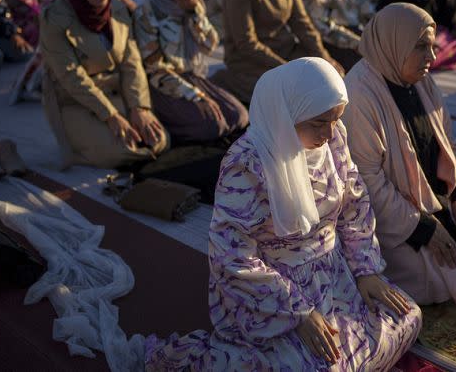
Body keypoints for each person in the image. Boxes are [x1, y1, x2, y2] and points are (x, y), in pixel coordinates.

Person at [146, 57, 421, 370]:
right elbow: (231, 256)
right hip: (272, 290)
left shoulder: (334, 139)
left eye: (335, 119)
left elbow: (354, 206)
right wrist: (296, 311)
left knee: (406, 317)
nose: (330, 133)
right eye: (318, 123)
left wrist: (365, 270)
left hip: (333, 273)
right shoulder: (247, 163)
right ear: (287, 114)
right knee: (318, 366)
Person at [342, 2, 456, 305]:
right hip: (394, 217)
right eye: (421, 47)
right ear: (395, 43)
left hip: (436, 196)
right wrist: (422, 226)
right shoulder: (360, 94)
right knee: (447, 279)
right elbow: (367, 183)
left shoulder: (421, 80)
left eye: (432, 46)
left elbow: (451, 145)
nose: (433, 57)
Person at [40, 0, 169, 169]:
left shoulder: (116, 9)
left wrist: (139, 108)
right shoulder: (55, 19)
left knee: (157, 140)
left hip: (115, 92)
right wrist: (110, 116)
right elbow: (72, 77)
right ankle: (76, 148)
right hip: (75, 101)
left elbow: (132, 63)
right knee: (123, 151)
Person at [133, 0, 247, 144]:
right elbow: (155, 69)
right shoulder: (147, 13)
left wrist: (195, 14)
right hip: (164, 86)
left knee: (239, 116)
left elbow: (210, 45)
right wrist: (195, 97)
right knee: (213, 125)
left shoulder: (191, 5)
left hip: (192, 78)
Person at [211, 0, 342, 103]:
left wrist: (325, 57)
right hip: (251, 61)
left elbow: (303, 26)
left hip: (285, 52)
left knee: (328, 77)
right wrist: (286, 69)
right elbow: (246, 42)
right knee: (293, 96)